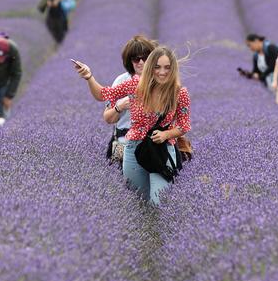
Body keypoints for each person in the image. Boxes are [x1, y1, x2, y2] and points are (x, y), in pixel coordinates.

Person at [73, 46, 191, 206]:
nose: (162, 72)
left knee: (158, 201)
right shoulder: (135, 86)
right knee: (138, 203)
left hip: (161, 150)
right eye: (157, 67)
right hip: (134, 149)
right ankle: (148, 231)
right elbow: (103, 94)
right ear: (151, 68)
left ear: (173, 69)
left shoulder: (179, 93)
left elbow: (184, 126)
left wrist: (166, 135)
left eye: (167, 67)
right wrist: (89, 77)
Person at [103, 35, 158, 162]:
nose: (141, 62)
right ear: (129, 61)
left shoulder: (159, 80)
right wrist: (119, 107)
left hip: (153, 144)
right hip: (125, 144)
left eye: (145, 57)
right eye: (136, 59)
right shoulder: (121, 81)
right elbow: (108, 118)